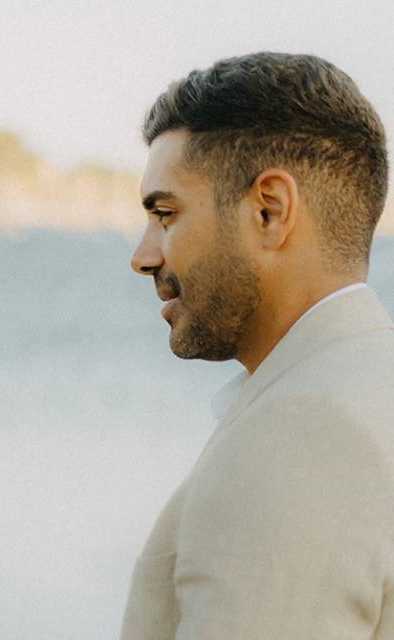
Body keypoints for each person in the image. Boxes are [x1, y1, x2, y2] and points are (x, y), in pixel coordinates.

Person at [124, 53, 394, 638]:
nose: (143, 256)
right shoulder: (375, 388)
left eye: (166, 214)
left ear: (269, 211)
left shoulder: (303, 431)